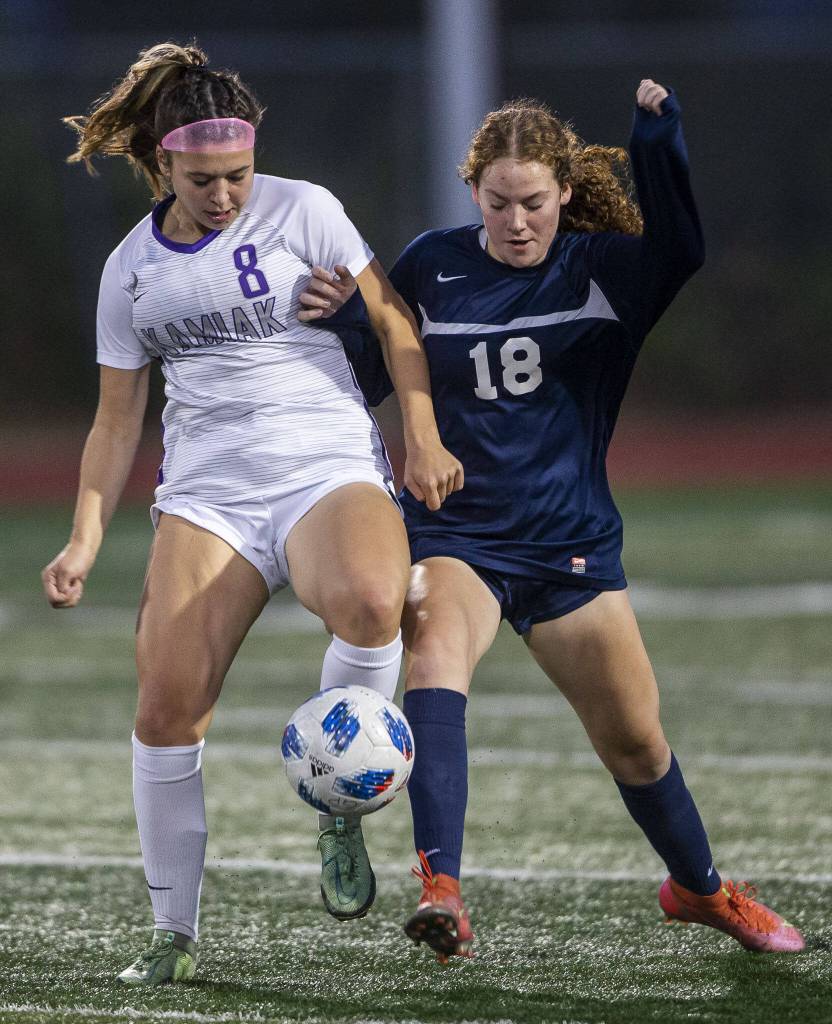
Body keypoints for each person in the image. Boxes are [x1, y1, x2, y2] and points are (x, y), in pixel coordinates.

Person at [300, 79, 806, 961]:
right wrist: (344, 321)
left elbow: (682, 245)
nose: (518, 220)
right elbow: (378, 376)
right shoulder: (430, 264)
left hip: (569, 545)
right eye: (499, 203)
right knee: (435, 657)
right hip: (459, 536)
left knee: (639, 746)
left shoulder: (603, 268)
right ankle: (442, 888)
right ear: (474, 196)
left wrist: (659, 140)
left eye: (535, 201)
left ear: (566, 192)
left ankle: (701, 889)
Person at [41, 41, 462, 986]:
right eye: (203, 180)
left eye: (238, 173)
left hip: (323, 458)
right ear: (160, 165)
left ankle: (338, 807)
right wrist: (84, 537)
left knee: (370, 598)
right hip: (209, 489)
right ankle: (173, 932)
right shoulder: (130, 272)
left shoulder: (303, 208)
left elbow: (392, 320)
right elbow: (117, 421)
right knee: (166, 705)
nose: (227, 193)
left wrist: (422, 437)